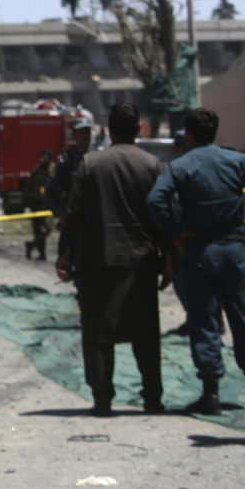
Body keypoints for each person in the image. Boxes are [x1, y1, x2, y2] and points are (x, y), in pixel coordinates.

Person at [146, 108, 245, 414]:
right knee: (243, 319)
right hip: (235, 249)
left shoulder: (180, 166)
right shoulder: (236, 160)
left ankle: (211, 394)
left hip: (200, 251)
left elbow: (155, 201)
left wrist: (175, 232)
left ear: (187, 134)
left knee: (205, 321)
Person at [55, 103, 168, 417]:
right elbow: (164, 218)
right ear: (137, 128)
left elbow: (74, 215)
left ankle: (103, 399)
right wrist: (169, 258)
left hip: (98, 261)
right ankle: (152, 399)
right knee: (146, 334)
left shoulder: (90, 164)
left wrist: (64, 254)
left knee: (98, 333)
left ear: (110, 129)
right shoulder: (153, 166)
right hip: (142, 262)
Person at [47, 117, 94, 219]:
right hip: (73, 215)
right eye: (81, 133)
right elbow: (50, 190)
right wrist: (59, 212)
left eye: (87, 132)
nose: (85, 136)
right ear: (74, 135)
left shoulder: (98, 157)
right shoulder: (66, 160)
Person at [23, 149, 53, 261]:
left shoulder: (53, 170)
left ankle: (31, 245)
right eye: (41, 157)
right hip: (36, 205)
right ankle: (42, 253)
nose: (42, 160)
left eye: (45, 157)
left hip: (48, 205)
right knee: (38, 230)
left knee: (47, 230)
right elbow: (29, 187)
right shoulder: (36, 171)